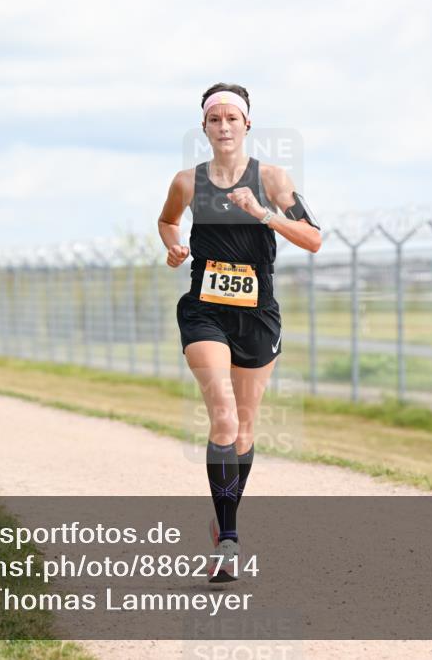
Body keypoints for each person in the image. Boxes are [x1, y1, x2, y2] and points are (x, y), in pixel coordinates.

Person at [157, 83, 322, 582]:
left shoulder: (272, 178)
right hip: (205, 309)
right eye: (214, 120)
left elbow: (313, 239)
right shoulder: (187, 181)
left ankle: (225, 521)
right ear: (204, 127)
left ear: (247, 124)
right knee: (224, 419)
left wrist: (264, 215)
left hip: (258, 312)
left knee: (245, 429)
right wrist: (175, 245)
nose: (224, 127)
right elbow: (166, 221)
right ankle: (228, 541)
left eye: (232, 118)